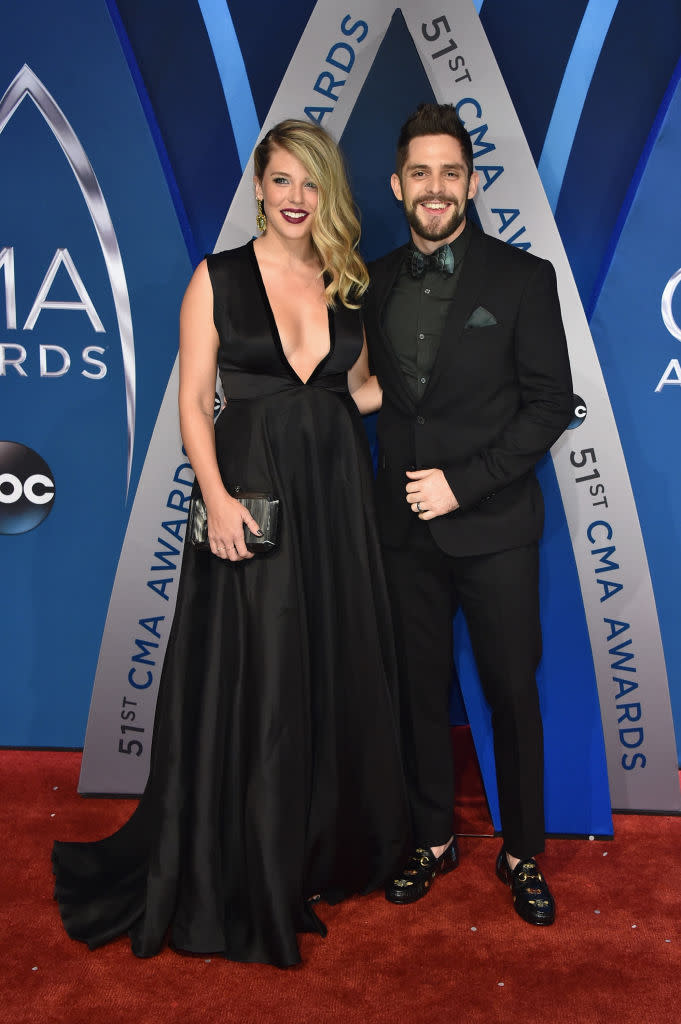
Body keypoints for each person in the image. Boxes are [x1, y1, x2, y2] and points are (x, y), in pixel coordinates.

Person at [53, 119, 409, 967]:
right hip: (246, 503)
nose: (295, 198)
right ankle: (242, 853)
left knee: (325, 662)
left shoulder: (345, 281)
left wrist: (333, 419)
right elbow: (192, 405)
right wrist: (213, 498)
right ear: (258, 186)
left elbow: (360, 389)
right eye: (282, 180)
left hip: (332, 507)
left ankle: (315, 846)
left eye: (310, 183)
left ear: (327, 193)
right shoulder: (215, 279)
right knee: (256, 674)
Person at [363, 103, 573, 925]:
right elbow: (363, 390)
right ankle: (431, 839)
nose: (435, 187)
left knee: (509, 691)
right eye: (420, 173)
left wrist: (461, 482)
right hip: (400, 532)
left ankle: (521, 851)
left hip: (491, 527)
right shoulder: (370, 280)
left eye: (451, 172)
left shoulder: (522, 278)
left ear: (473, 183)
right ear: (397, 185)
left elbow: (549, 403)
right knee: (416, 690)